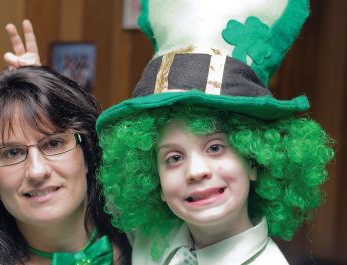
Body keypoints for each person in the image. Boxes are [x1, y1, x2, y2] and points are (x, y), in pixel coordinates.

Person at [94, 0, 334, 264]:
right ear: (154, 180)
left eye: (215, 147)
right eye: (173, 158)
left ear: (254, 160)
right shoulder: (154, 237)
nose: (196, 171)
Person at [0, 66, 131, 265]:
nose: (37, 171)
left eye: (53, 144)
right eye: (12, 153)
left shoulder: (145, 243)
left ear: (87, 153)